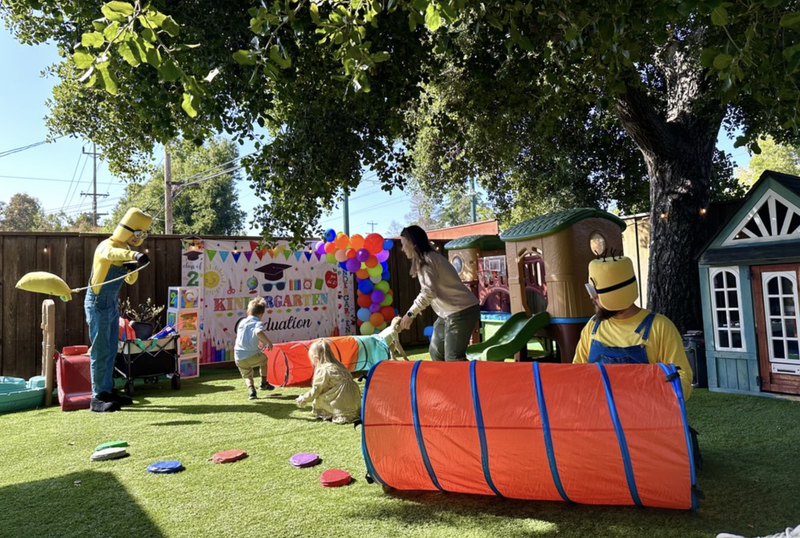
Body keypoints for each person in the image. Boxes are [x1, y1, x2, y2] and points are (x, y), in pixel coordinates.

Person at [573, 254, 694, 399]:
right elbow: (577, 373)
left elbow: (682, 377)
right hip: (601, 417)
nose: (592, 297)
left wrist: (668, 391)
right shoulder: (593, 327)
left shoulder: (660, 327)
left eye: (594, 292)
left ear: (615, 293)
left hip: (645, 417)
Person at [85, 208, 152, 413]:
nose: (138, 238)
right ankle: (97, 397)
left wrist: (133, 268)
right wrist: (133, 255)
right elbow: (110, 254)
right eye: (137, 233)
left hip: (111, 303)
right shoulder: (108, 245)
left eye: (142, 235)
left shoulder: (123, 249)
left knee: (112, 348)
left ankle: (108, 391)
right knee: (100, 350)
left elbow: (130, 279)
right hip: (98, 303)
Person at [397, 225, 480, 361]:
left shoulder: (427, 261)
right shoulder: (426, 260)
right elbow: (430, 292)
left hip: (462, 310)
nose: (402, 248)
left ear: (413, 243)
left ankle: (468, 381)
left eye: (404, 244)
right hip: (447, 313)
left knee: (453, 358)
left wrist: (411, 314)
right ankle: (445, 381)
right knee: (436, 352)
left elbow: (428, 292)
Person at [296, 339, 362, 423]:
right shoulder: (339, 365)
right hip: (355, 403)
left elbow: (316, 390)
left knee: (318, 397)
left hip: (341, 404)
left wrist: (304, 398)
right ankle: (350, 411)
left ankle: (333, 412)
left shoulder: (324, 369)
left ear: (316, 358)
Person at [234, 297, 275, 400]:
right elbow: (258, 332)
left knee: (247, 374)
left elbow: (247, 336)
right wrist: (268, 342)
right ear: (262, 314)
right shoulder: (258, 323)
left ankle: (251, 391)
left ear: (248, 312)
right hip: (251, 355)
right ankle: (264, 383)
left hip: (238, 356)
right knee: (264, 359)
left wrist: (259, 341)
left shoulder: (242, 322)